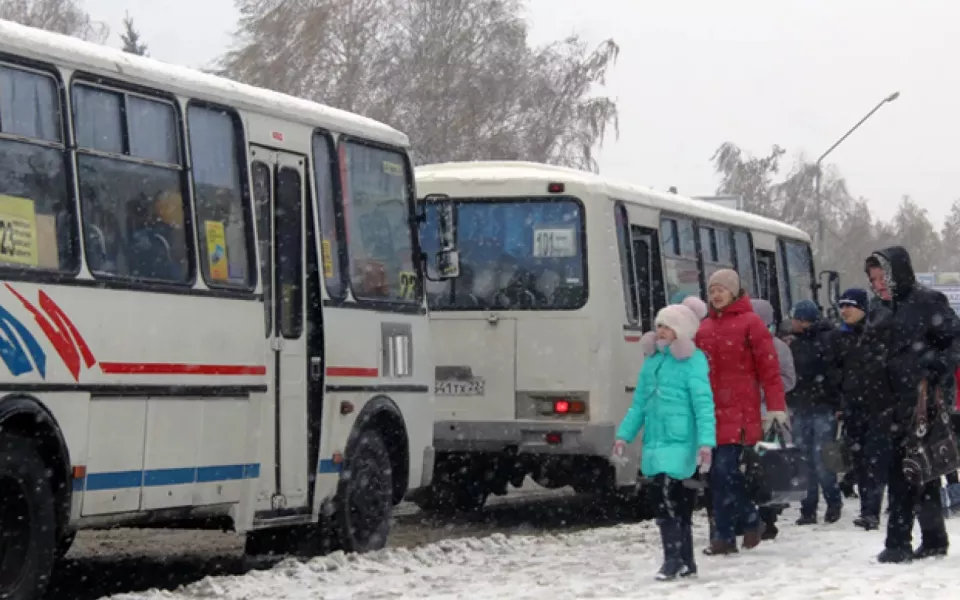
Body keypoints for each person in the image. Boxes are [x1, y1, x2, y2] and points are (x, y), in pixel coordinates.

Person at [865, 246, 960, 563]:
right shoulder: (879, 309)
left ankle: (898, 542)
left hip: (922, 401)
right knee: (921, 471)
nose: (877, 284)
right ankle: (933, 538)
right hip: (887, 401)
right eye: (873, 279)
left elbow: (955, 341)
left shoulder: (928, 301)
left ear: (897, 273)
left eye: (882, 277)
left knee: (903, 471)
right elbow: (871, 351)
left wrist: (933, 368)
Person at [613, 297, 716, 580]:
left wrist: (706, 442)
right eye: (658, 325)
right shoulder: (652, 363)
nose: (660, 331)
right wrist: (624, 435)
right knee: (676, 503)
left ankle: (673, 559)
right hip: (656, 443)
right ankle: (685, 560)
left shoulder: (693, 362)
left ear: (681, 331)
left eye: (667, 327)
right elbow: (639, 405)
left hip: (681, 442)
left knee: (666, 498)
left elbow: (703, 405)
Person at [695, 269, 787, 555]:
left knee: (726, 474)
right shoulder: (704, 328)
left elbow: (769, 370)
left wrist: (775, 408)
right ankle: (742, 526)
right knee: (720, 478)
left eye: (722, 289)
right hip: (712, 414)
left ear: (734, 292)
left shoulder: (751, 324)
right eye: (712, 290)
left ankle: (730, 532)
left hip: (742, 414)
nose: (717, 295)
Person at [828, 288, 894, 531]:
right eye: (842, 306)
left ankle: (872, 510)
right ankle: (868, 508)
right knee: (860, 462)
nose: (844, 310)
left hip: (879, 408)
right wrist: (840, 401)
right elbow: (833, 372)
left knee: (876, 461)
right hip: (853, 409)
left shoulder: (877, 334)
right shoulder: (838, 338)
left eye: (850, 306)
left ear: (862, 308)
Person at [786, 298, 843, 525]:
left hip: (816, 406)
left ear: (802, 320)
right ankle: (820, 505)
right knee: (815, 459)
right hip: (811, 406)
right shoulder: (823, 340)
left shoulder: (810, 343)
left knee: (816, 460)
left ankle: (817, 506)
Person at [750, 298, 797, 540]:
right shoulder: (739, 344)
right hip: (746, 415)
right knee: (752, 467)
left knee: (768, 466)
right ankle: (755, 516)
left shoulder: (779, 347)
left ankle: (768, 518)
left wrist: (764, 389)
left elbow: (790, 379)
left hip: (771, 415)